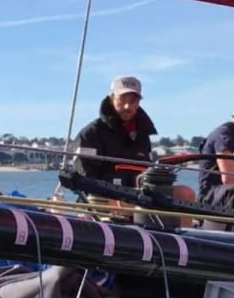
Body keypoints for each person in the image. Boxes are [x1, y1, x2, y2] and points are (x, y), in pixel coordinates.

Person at [73, 76, 195, 219]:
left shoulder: (142, 135)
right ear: (112, 98)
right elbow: (84, 177)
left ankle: (185, 237)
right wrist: (110, 195)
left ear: (138, 103)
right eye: (122, 100)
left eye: (133, 101)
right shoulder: (90, 134)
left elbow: (147, 173)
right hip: (101, 201)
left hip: (137, 199)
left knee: (186, 194)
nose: (127, 106)